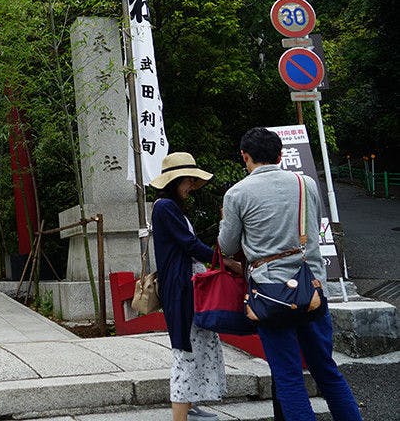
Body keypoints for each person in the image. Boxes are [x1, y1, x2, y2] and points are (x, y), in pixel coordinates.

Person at [219, 127, 361, 421]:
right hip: (311, 287)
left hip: (270, 294)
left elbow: (227, 245)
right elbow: (314, 221)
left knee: (288, 376)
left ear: (245, 156)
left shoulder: (237, 193)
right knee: (326, 369)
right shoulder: (305, 183)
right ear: (281, 155)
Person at [151, 152, 234, 421]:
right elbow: (189, 245)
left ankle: (191, 407)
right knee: (185, 349)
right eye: (187, 180)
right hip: (181, 287)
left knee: (197, 344)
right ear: (175, 181)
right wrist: (224, 263)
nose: (190, 186)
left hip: (188, 285)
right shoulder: (164, 207)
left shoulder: (170, 208)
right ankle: (181, 415)